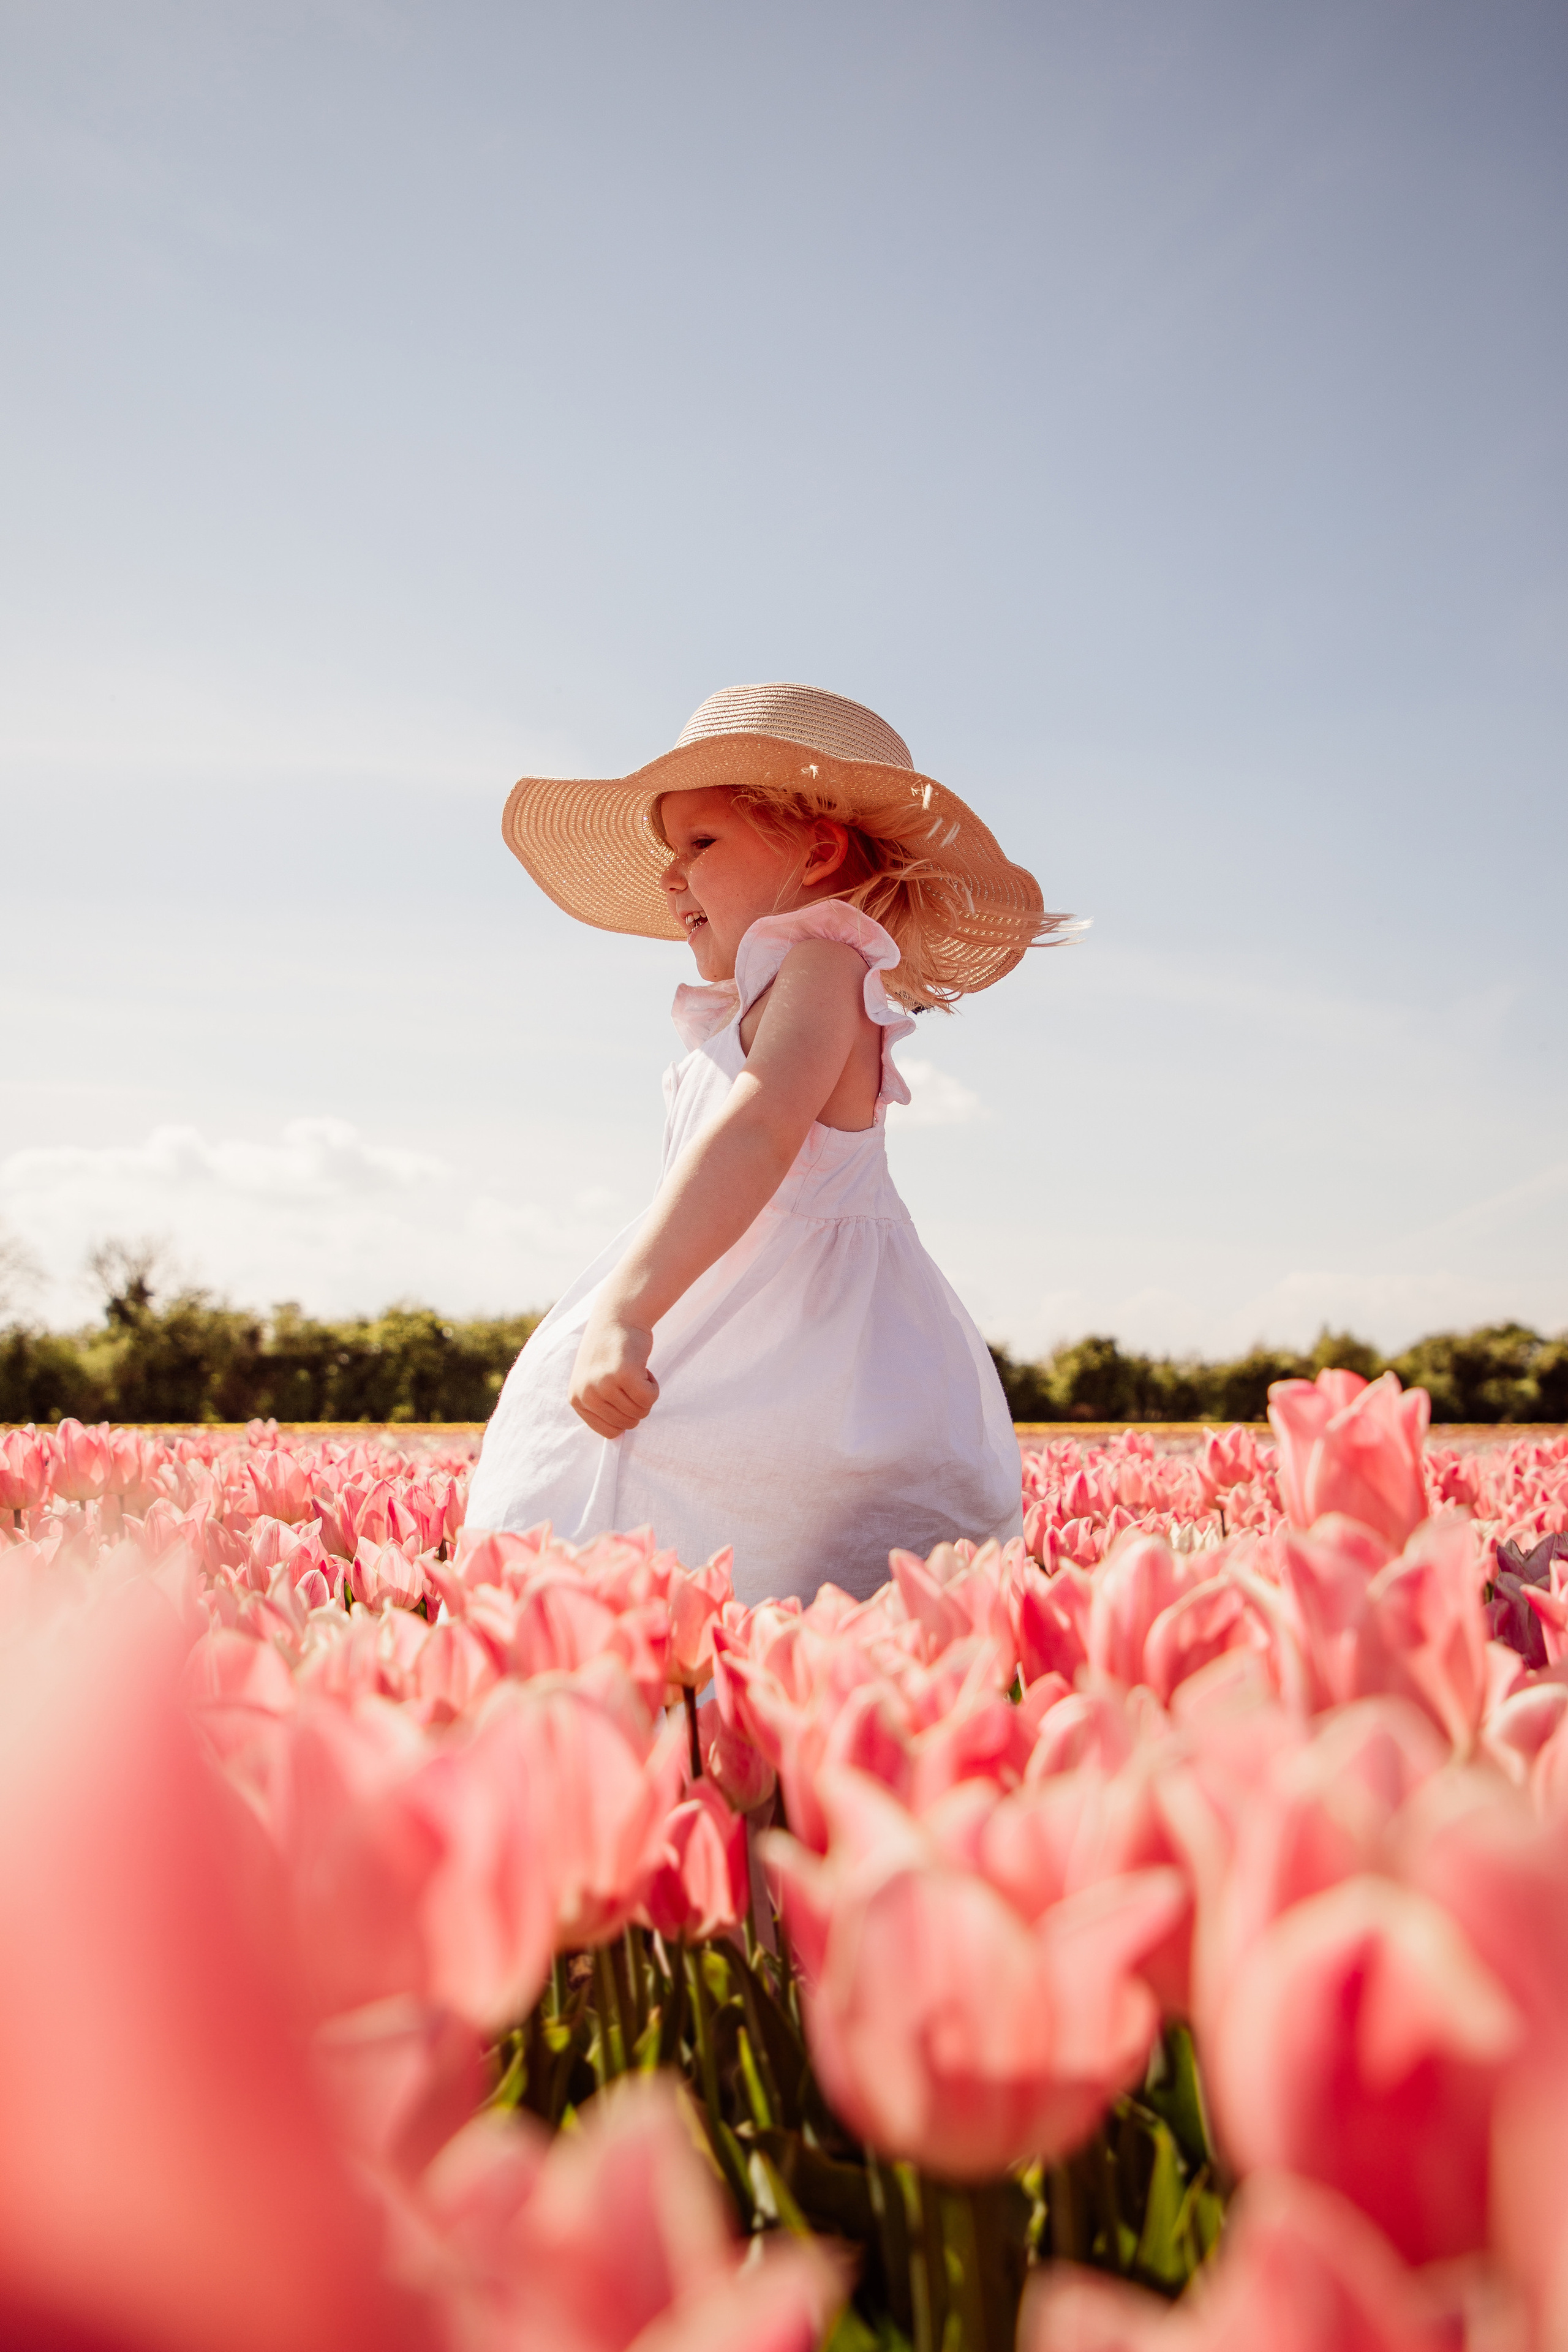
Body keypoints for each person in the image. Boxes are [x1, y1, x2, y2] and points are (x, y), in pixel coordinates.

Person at [465, 682, 1077, 1605]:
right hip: (729, 1313)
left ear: (820, 849)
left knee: (748, 1535)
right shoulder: (764, 994)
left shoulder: (826, 962)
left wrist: (629, 1311)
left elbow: (757, 1132)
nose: (672, 878)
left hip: (795, 1354)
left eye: (700, 845)